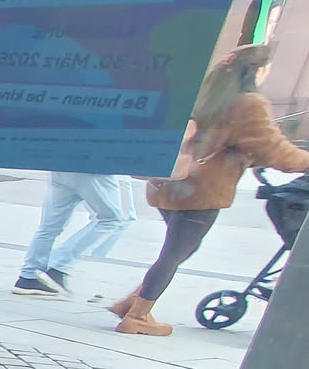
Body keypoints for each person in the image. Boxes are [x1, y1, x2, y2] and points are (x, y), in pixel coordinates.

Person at [112, 43, 309, 336]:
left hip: (169, 183)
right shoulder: (249, 103)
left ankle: (132, 302)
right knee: (175, 252)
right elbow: (274, 150)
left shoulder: (205, 94)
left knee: (182, 247)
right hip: (201, 190)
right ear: (258, 70)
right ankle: (137, 316)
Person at [12, 172, 137, 297]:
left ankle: (28, 277)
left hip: (61, 170)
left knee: (49, 227)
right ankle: (56, 266)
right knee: (113, 220)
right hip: (96, 171)